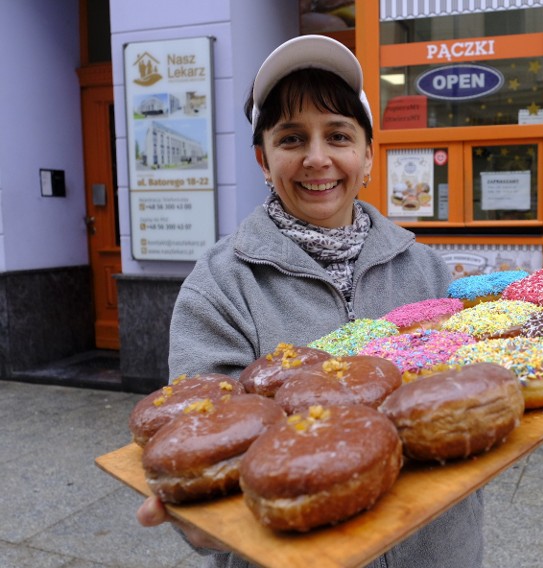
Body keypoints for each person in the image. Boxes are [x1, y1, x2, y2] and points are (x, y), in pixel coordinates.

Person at [135, 35, 484, 568]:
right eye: (292, 138)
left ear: (368, 154)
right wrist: (205, 522)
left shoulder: (426, 268)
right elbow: (201, 435)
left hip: (437, 550)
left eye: (338, 136)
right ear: (263, 158)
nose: (317, 159)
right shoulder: (222, 282)